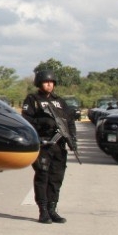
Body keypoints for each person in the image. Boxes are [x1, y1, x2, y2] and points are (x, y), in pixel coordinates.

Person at [21, 69, 78, 224]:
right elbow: (27, 121)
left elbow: (69, 121)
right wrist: (42, 126)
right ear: (40, 83)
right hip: (44, 144)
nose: (49, 85)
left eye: (52, 82)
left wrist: (72, 139)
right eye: (46, 82)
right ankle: (43, 211)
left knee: (56, 178)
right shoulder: (33, 100)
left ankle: (53, 210)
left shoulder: (59, 101)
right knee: (42, 177)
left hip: (59, 146)